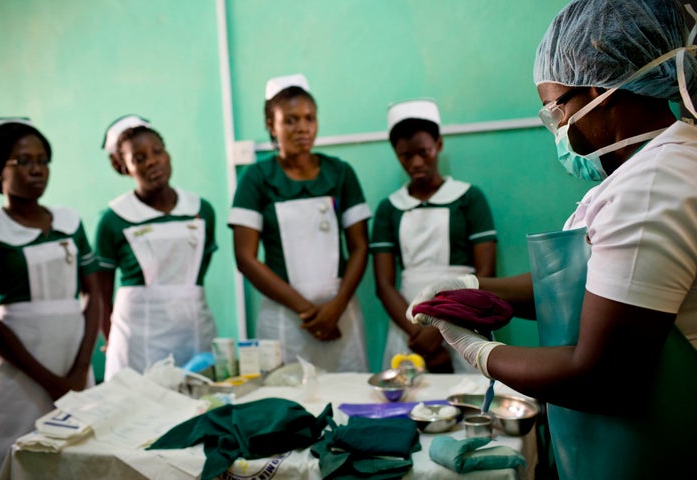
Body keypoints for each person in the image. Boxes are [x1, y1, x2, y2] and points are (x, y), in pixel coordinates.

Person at [409, 1, 697, 479]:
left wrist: (480, 353)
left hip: (653, 447)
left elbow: (603, 377)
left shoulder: (653, 186)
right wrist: (472, 285)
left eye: (554, 109)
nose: (557, 128)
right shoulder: (642, 175)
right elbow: (582, 287)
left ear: (595, 90)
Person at [0, 118, 101, 480]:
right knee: (18, 461)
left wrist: (79, 369)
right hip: (17, 374)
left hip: (74, 366)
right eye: (24, 161)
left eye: (43, 160)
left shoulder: (69, 221)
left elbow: (93, 294)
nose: (37, 169)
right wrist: (52, 383)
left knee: (75, 459)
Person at [228, 74, 371, 372]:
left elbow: (360, 247)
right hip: (285, 316)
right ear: (271, 125)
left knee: (351, 400)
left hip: (340, 310)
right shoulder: (256, 179)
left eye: (309, 118)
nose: (302, 128)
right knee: (288, 401)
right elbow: (245, 257)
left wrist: (336, 308)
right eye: (290, 120)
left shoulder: (341, 173)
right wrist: (308, 311)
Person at [371, 99, 496, 373]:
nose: (416, 162)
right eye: (406, 156)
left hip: (464, 321)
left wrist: (438, 332)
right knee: (408, 400)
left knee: (469, 401)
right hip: (409, 330)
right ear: (396, 153)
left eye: (424, 152)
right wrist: (419, 334)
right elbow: (384, 285)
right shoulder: (389, 208)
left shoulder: (468, 198)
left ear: (438, 145)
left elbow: (486, 273)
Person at [95, 115, 217, 381]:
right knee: (139, 410)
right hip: (137, 339)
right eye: (138, 158)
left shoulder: (200, 209)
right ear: (122, 166)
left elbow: (198, 273)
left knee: (200, 402)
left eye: (157, 152)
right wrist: (110, 338)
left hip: (193, 329)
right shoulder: (114, 219)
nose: (152, 161)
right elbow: (101, 292)